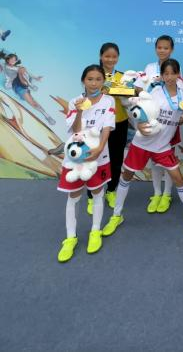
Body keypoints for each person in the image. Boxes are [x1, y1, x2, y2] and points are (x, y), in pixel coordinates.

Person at [102, 58, 183, 238]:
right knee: (126, 176)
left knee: (178, 178)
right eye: (166, 73)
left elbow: (178, 120)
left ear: (178, 74)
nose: (169, 77)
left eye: (172, 73)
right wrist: (138, 125)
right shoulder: (154, 90)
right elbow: (138, 111)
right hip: (142, 143)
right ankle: (116, 216)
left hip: (162, 146)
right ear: (162, 75)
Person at [57, 64, 115, 262]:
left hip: (99, 156)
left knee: (98, 193)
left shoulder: (108, 100)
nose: (94, 83)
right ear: (83, 81)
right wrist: (80, 111)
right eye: (90, 79)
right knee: (73, 196)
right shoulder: (74, 102)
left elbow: (107, 127)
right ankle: (70, 238)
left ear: (103, 81)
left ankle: (95, 231)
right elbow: (75, 130)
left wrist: (99, 148)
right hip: (75, 159)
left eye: (98, 79)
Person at [138, 35, 181, 215]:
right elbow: (139, 89)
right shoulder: (149, 68)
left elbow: (180, 93)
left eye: (166, 48)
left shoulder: (175, 69)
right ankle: (156, 193)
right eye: (159, 47)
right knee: (154, 160)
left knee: (168, 160)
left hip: (169, 123)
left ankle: (167, 194)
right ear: (155, 48)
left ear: (172, 50)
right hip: (152, 120)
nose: (162, 50)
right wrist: (150, 87)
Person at [99, 42, 129, 211]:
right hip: (99, 124)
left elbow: (130, 95)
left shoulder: (122, 77)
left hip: (120, 123)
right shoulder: (94, 74)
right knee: (96, 159)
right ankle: (93, 195)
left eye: (114, 57)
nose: (110, 59)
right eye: (107, 56)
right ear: (101, 56)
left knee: (116, 160)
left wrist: (119, 89)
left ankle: (111, 190)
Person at [8, 55, 55, 125]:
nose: (13, 61)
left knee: (34, 103)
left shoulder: (19, 68)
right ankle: (31, 85)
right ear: (8, 60)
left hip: (23, 85)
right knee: (33, 103)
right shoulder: (6, 66)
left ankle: (47, 116)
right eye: (11, 59)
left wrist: (36, 78)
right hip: (18, 86)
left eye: (14, 60)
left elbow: (27, 73)